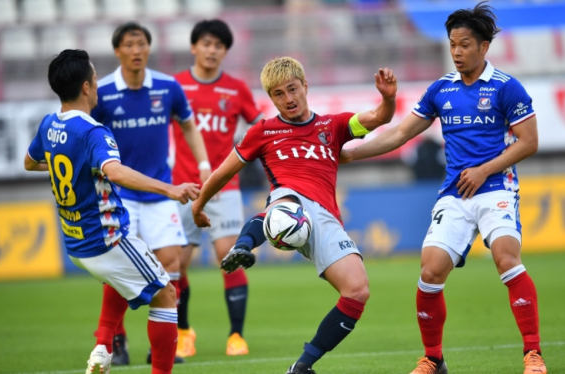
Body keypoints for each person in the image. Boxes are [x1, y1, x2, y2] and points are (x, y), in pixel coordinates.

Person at [340, 2, 546, 374]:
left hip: (496, 186)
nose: (457, 52)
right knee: (430, 272)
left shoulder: (506, 88)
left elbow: (528, 142)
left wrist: (483, 170)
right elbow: (401, 133)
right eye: (452, 44)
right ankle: (433, 359)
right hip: (455, 193)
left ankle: (532, 354)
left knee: (505, 258)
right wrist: (352, 153)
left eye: (465, 44)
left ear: (484, 47)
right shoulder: (441, 90)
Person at [191, 57, 398, 374]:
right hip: (288, 203)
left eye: (292, 89)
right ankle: (244, 245)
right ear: (270, 98)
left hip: (325, 218)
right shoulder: (263, 131)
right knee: (286, 207)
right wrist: (199, 203)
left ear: (305, 86)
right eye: (278, 94)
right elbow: (224, 170)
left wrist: (388, 97)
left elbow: (379, 117)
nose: (288, 99)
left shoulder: (334, 126)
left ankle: (302, 366)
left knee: (357, 291)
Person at [24, 49, 200, 374]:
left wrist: (74, 169)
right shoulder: (94, 132)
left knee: (121, 276)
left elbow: (31, 161)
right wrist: (170, 189)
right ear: (87, 87)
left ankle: (103, 346)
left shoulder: (50, 125)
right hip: (106, 239)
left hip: (75, 243)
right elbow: (115, 172)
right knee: (166, 295)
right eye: (93, 76)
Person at [90, 22, 210, 365]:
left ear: (148, 47)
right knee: (120, 268)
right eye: (129, 44)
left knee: (170, 263)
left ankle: (160, 343)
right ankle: (116, 340)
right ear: (117, 51)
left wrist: (203, 164)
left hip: (160, 193)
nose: (136, 50)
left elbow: (188, 123)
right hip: (119, 195)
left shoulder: (168, 87)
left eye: (141, 43)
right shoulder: (104, 92)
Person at [171, 19, 264, 358]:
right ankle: (183, 332)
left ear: (225, 51)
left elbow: (259, 128)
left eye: (219, 46)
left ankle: (236, 336)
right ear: (194, 47)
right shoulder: (175, 86)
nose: (212, 50)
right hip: (183, 188)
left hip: (225, 187)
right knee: (176, 264)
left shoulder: (237, 89)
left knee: (231, 257)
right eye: (206, 44)